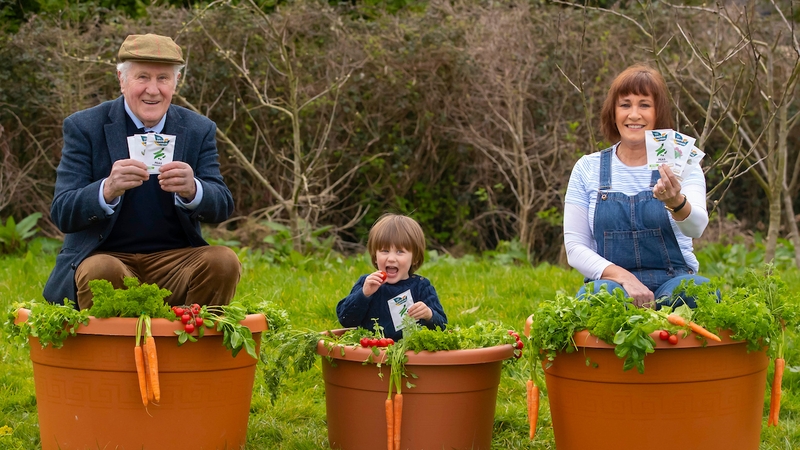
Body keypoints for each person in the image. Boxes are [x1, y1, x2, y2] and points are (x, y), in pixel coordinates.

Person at [43, 33, 241, 310]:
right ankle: (108, 338)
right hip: (107, 257)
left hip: (175, 263)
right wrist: (106, 189)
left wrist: (194, 189)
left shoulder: (198, 129)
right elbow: (62, 211)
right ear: (122, 80)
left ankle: (189, 333)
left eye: (163, 78)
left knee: (224, 260)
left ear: (176, 82)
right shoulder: (84, 126)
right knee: (101, 269)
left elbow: (222, 206)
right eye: (142, 77)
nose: (153, 90)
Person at [563, 63, 711, 309]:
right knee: (598, 295)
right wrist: (624, 278)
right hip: (612, 285)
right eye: (625, 105)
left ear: (658, 112)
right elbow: (575, 248)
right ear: (613, 113)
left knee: (698, 290)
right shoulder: (587, 168)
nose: (634, 115)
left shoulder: (680, 163)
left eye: (644, 105)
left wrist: (675, 202)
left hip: (673, 284)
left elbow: (697, 227)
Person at [336, 213, 447, 341]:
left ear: (415, 258)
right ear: (375, 256)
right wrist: (363, 294)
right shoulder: (368, 283)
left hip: (409, 350)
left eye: (400, 252)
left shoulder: (421, 286)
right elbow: (345, 320)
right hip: (371, 349)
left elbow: (442, 326)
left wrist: (429, 315)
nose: (391, 258)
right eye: (385, 251)